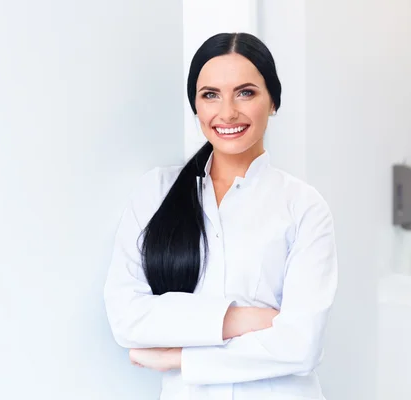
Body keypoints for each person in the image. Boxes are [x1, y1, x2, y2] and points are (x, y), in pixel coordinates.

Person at [103, 32, 338, 400]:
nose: (227, 112)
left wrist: (180, 358)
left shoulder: (303, 206)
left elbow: (301, 345)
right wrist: (241, 318)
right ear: (196, 106)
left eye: (245, 92)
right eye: (210, 95)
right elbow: (126, 316)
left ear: (273, 100)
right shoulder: (156, 192)